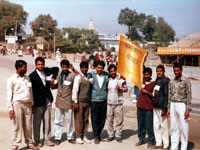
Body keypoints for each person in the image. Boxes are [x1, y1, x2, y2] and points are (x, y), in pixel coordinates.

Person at [7, 60, 39, 150]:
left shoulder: (27, 78)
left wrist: (32, 104)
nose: (26, 69)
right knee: (17, 125)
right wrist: (10, 109)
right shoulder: (11, 79)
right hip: (17, 104)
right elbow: (9, 95)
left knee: (28, 126)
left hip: (28, 104)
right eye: (24, 67)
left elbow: (30, 91)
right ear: (18, 68)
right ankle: (15, 145)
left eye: (26, 67)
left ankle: (30, 143)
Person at [29, 57, 59, 147]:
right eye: (39, 64)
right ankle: (37, 140)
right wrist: (32, 104)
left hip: (47, 100)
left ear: (44, 64)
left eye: (42, 64)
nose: (40, 66)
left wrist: (53, 78)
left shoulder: (46, 71)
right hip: (37, 102)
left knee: (47, 121)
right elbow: (31, 92)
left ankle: (47, 139)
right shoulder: (32, 76)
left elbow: (56, 69)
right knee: (37, 122)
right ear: (35, 65)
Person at [168, 62, 192, 150]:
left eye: (178, 71)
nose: (176, 72)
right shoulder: (171, 81)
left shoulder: (186, 81)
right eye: (175, 71)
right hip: (173, 104)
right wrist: (168, 108)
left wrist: (187, 110)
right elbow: (169, 95)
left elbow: (189, 96)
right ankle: (174, 146)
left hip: (182, 105)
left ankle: (183, 147)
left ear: (181, 70)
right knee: (174, 126)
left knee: (183, 127)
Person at [53, 59, 77, 145]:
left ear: (69, 67)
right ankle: (57, 137)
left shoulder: (72, 75)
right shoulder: (59, 74)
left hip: (68, 101)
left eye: (66, 67)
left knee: (69, 120)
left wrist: (73, 69)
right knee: (58, 120)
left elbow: (80, 77)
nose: (65, 69)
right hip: (59, 100)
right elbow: (57, 84)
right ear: (61, 67)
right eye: (63, 67)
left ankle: (70, 137)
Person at [88, 61, 109, 144]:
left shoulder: (106, 75)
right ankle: (96, 136)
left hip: (103, 99)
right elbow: (83, 75)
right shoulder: (91, 74)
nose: (99, 69)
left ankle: (99, 133)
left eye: (101, 68)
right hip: (94, 100)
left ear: (103, 68)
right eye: (98, 68)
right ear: (95, 67)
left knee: (102, 118)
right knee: (95, 118)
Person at [105, 64, 128, 143]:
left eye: (114, 71)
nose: (113, 72)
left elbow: (126, 89)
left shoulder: (121, 79)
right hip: (109, 103)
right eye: (111, 71)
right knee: (109, 120)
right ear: (109, 72)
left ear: (116, 70)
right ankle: (110, 135)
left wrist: (120, 89)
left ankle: (118, 135)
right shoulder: (107, 79)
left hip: (118, 103)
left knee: (119, 120)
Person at [72, 61, 91, 144]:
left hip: (87, 101)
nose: (84, 69)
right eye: (83, 68)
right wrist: (75, 102)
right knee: (79, 119)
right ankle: (78, 136)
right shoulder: (78, 78)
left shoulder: (89, 77)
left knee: (86, 119)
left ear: (88, 68)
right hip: (79, 101)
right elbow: (75, 90)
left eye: (86, 67)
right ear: (80, 68)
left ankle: (84, 135)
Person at [135, 67, 155, 148]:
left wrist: (146, 92)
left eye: (148, 74)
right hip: (140, 106)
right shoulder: (140, 82)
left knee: (149, 124)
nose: (146, 76)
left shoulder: (153, 84)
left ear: (151, 75)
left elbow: (154, 95)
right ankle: (141, 139)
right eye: (145, 74)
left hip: (148, 107)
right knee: (141, 124)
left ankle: (151, 140)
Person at [153, 65, 170, 150]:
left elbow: (166, 95)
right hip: (155, 106)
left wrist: (164, 108)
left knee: (164, 126)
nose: (158, 72)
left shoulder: (165, 81)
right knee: (156, 125)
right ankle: (159, 142)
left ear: (163, 71)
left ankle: (166, 144)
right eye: (157, 71)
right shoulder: (157, 80)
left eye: (160, 71)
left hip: (161, 107)